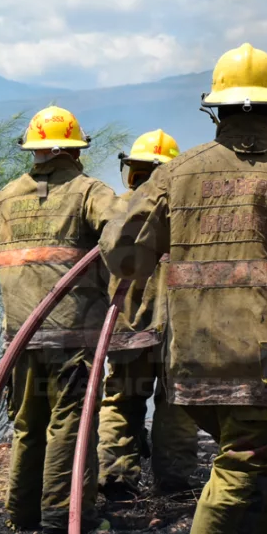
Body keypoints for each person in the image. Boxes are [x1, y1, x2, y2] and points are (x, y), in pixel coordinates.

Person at [98, 43, 267, 534]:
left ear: (215, 111)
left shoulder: (178, 171)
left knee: (261, 459)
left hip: (196, 350)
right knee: (243, 465)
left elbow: (122, 252)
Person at [0, 105, 119, 534]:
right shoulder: (91, 193)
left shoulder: (2, 199)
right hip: (73, 335)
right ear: (74, 151)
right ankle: (63, 517)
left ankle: (21, 514)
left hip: (22, 336)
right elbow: (123, 231)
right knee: (71, 422)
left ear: (33, 151)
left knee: (28, 423)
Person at [98, 129, 200, 501]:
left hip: (125, 328)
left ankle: (116, 479)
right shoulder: (185, 214)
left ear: (132, 171)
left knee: (123, 399)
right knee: (175, 403)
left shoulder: (116, 211)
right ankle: (172, 482)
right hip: (177, 329)